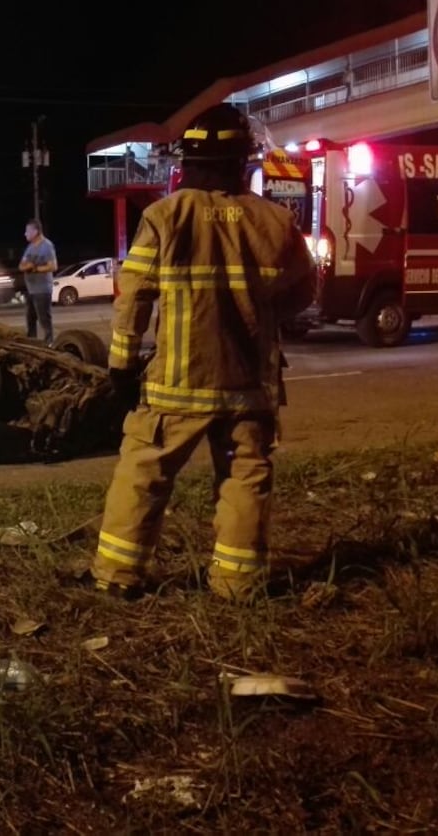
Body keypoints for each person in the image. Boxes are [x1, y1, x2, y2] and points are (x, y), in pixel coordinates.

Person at [89, 102, 317, 604]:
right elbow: (303, 293)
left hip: (177, 383)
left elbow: (135, 297)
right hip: (248, 385)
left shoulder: (165, 216)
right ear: (243, 164)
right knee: (245, 476)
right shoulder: (275, 221)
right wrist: (258, 312)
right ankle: (239, 585)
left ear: (189, 164)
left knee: (143, 470)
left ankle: (117, 576)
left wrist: (122, 367)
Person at [18, 218, 57, 342]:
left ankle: (49, 343)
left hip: (42, 289)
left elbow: (53, 266)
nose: (25, 234)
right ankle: (32, 343)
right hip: (31, 289)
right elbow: (21, 266)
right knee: (30, 319)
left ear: (35, 231)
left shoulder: (47, 246)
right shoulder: (29, 247)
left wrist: (34, 268)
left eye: (27, 231)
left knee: (44, 319)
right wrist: (26, 267)